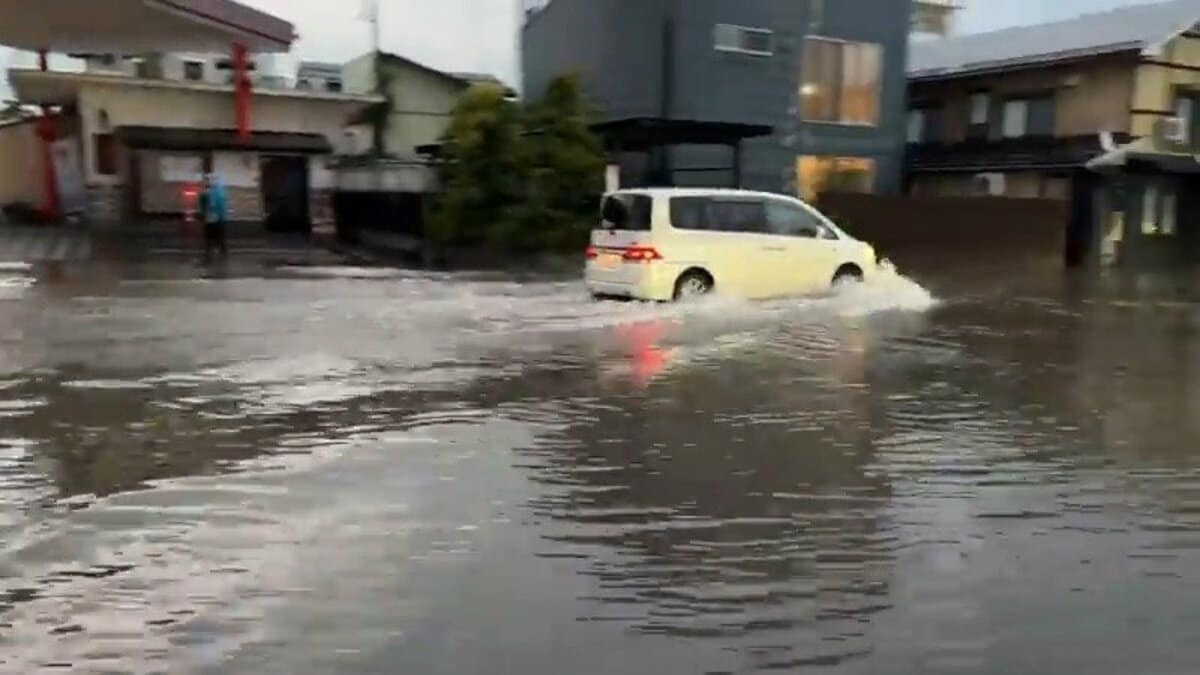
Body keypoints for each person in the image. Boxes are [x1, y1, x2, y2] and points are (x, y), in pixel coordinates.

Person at [201, 173, 229, 263]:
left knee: (212, 237)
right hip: (216, 218)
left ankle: (212, 254)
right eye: (207, 180)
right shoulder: (220, 190)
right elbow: (223, 205)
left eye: (209, 180)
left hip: (214, 218)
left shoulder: (213, 191)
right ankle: (220, 253)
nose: (208, 181)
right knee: (218, 237)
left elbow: (210, 205)